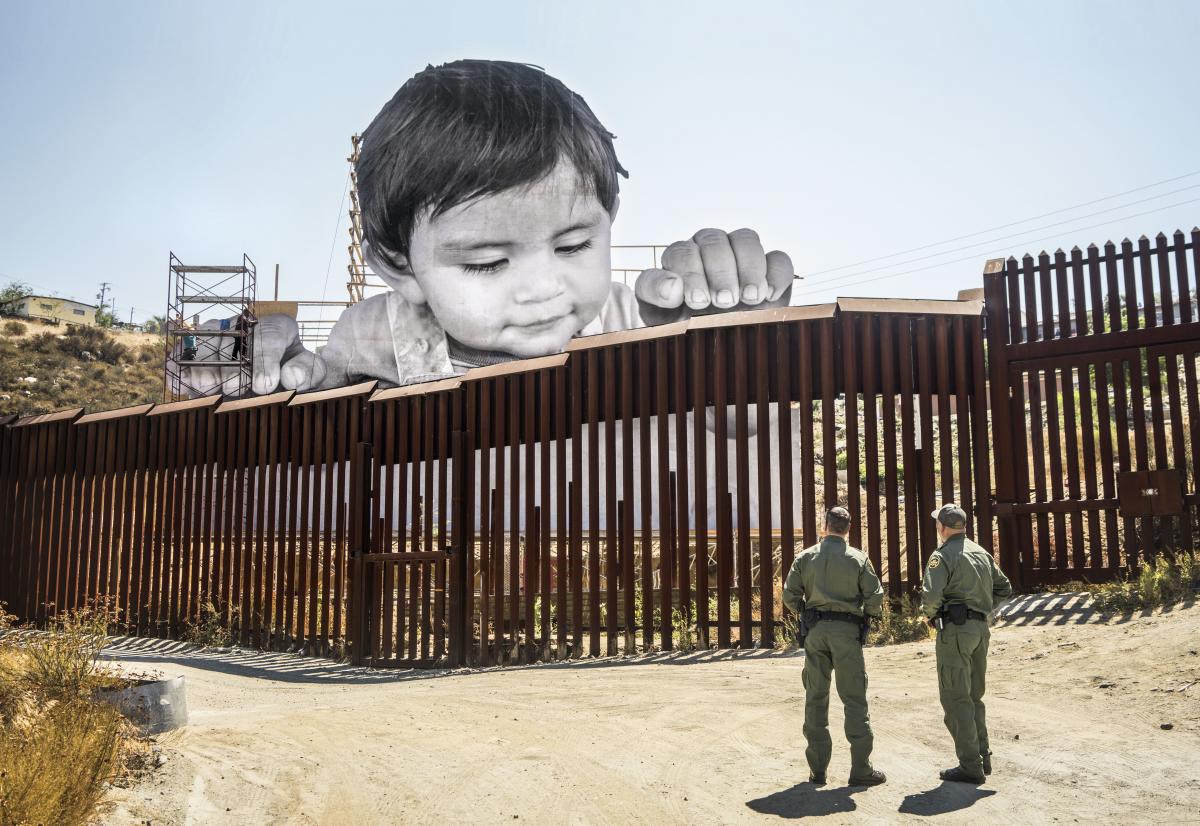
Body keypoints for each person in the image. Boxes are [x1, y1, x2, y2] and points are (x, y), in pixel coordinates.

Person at [180, 59, 795, 396]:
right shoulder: (367, 341)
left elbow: (735, 444)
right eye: (485, 262)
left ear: (610, 220)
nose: (542, 289)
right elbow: (310, 449)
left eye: (575, 244)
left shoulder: (645, 326)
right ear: (397, 263)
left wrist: (732, 352)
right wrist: (258, 379)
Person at [782, 506, 886, 787]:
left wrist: (807, 611)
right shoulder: (858, 559)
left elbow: (789, 595)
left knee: (816, 698)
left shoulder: (805, 557)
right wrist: (866, 616)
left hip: (815, 632)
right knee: (854, 699)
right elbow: (875, 596)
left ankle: (817, 771)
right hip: (847, 632)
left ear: (824, 525)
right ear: (848, 529)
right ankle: (861, 770)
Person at [921, 503, 1013, 784]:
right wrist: (982, 609)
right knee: (974, 697)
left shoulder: (942, 555)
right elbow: (1005, 588)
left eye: (938, 524)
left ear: (943, 528)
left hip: (955, 632)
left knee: (955, 697)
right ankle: (982, 759)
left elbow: (932, 595)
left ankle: (970, 766)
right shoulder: (981, 552)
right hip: (980, 630)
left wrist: (930, 616)